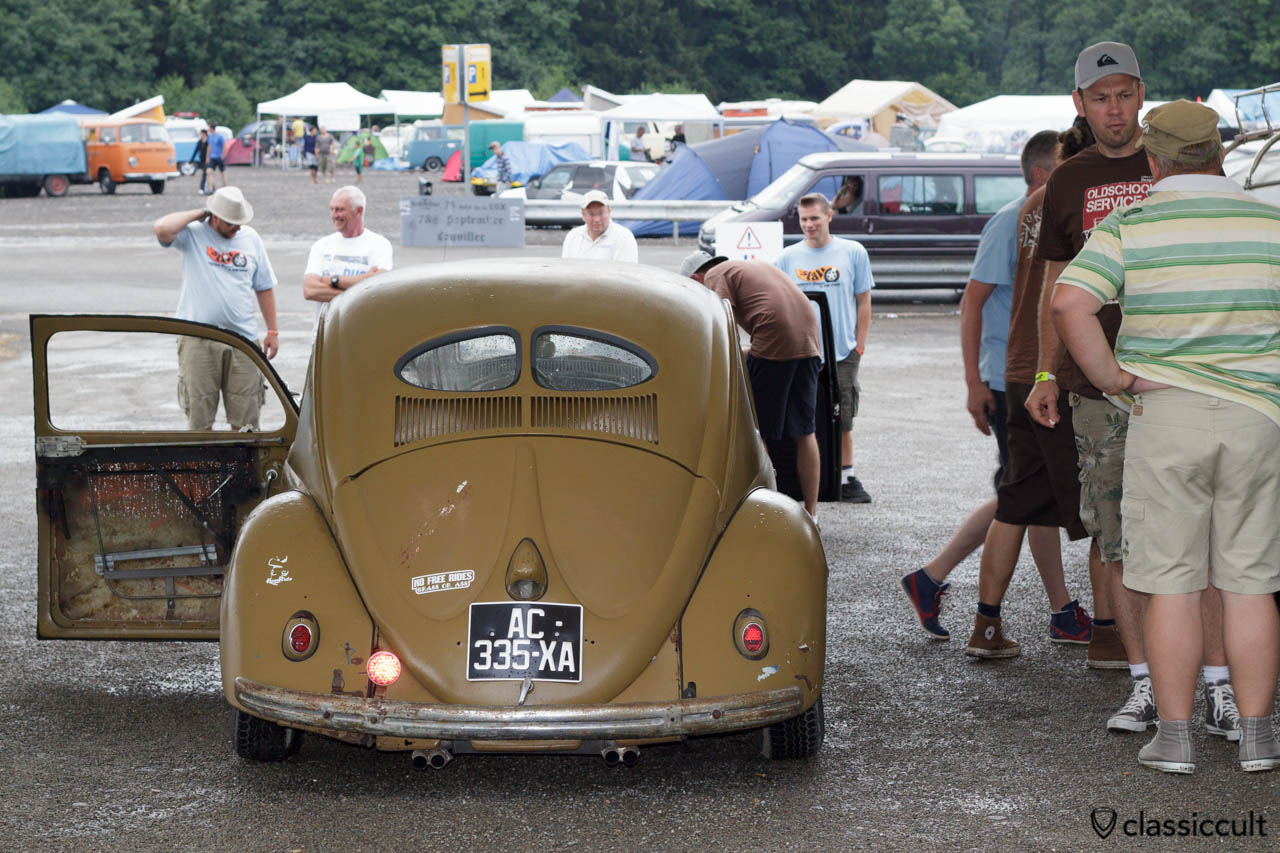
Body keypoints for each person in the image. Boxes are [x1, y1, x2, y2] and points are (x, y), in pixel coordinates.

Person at [1053, 99, 1280, 774]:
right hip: (1256, 419)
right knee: (1249, 582)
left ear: (1154, 161)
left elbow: (1070, 301)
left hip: (1167, 418)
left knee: (1175, 584)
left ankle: (1175, 739)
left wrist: (1113, 377)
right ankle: (1260, 737)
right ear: (1219, 154)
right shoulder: (1271, 222)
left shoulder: (1133, 222)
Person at [1028, 42, 1238, 738]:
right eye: (1100, 98)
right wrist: (1045, 372)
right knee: (1117, 536)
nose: (1114, 109)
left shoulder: (1183, 161)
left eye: (1124, 95)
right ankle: (1145, 683)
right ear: (1079, 105)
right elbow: (1055, 286)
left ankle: (1216, 687)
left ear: (1141, 96)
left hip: (1185, 377)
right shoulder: (1069, 179)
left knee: (1203, 539)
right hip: (1099, 387)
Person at [902, 131, 1084, 643]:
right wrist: (973, 383)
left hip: (1027, 375)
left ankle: (1060, 611)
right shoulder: (1012, 222)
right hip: (1014, 378)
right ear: (1044, 177)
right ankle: (934, 577)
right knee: (1022, 492)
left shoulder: (1046, 219)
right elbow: (973, 303)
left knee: (1031, 493)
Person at [682, 253, 822, 517]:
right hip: (810, 343)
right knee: (805, 432)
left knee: (758, 432)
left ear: (695, 278)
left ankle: (769, 512)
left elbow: (725, 332)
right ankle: (812, 514)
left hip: (775, 338)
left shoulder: (714, 277)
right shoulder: (749, 266)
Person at [152, 186, 278, 430]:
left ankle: (243, 467)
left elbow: (264, 286)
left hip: (243, 341)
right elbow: (162, 229)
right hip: (198, 339)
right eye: (232, 222)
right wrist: (200, 213)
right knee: (200, 417)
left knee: (246, 420)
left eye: (241, 222)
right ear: (215, 217)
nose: (238, 227)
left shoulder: (250, 238)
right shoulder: (193, 234)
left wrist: (272, 331)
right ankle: (204, 467)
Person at [774, 193, 873, 503]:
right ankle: (798, 478)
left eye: (815, 218)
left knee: (843, 413)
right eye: (804, 220)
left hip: (842, 351)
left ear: (829, 216)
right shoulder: (787, 258)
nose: (809, 225)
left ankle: (846, 477)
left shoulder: (852, 252)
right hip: (803, 351)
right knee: (802, 415)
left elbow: (863, 299)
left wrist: (860, 344)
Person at [302, 185, 393, 334]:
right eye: (331, 209)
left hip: (363, 335)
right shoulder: (322, 245)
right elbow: (310, 290)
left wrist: (333, 280)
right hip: (326, 337)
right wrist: (361, 291)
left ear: (359, 210)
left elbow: (378, 287)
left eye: (340, 209)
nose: (334, 215)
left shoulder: (379, 244)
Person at [561, 190, 638, 262]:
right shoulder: (573, 236)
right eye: (591, 214)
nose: (597, 219)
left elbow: (625, 272)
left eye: (601, 213)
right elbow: (566, 270)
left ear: (609, 212)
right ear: (583, 215)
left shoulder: (623, 236)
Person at [190, 129, 210, 196]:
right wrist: (191, 160)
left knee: (205, 174)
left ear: (204, 133)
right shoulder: (200, 142)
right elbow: (196, 151)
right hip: (202, 160)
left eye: (200, 133)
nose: (200, 135)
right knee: (205, 174)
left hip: (208, 160)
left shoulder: (209, 141)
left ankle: (202, 188)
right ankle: (210, 188)